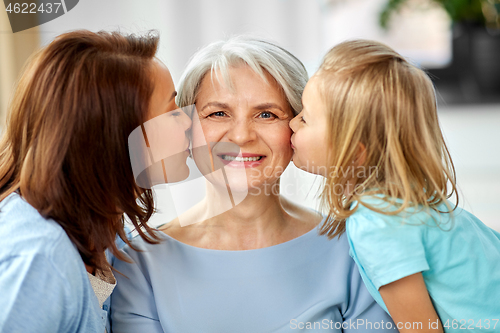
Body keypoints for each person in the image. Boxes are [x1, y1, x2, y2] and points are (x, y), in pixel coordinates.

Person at [111, 36, 397, 333]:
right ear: (187, 126)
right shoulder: (138, 260)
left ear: (299, 127)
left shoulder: (354, 247)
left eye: (266, 114)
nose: (241, 136)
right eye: (218, 113)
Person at [289, 39, 500, 332]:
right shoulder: (409, 201)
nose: (292, 124)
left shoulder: (377, 222)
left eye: (305, 118)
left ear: (354, 151)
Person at [0, 30, 191, 333]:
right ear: (112, 138)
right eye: (171, 113)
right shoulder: (40, 259)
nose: (189, 121)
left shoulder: (108, 238)